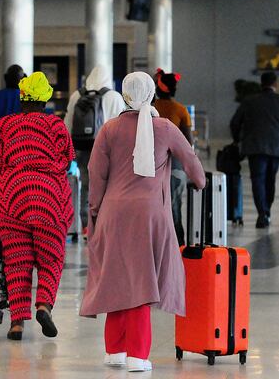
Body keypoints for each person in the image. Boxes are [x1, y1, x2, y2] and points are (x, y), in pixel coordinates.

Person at [80, 72, 205, 373]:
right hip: (150, 216)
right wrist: (198, 184)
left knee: (116, 278)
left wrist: (94, 213)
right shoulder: (164, 127)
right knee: (142, 280)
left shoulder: (109, 129)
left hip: (113, 212)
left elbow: (95, 175)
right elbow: (194, 168)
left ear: (124, 96)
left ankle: (115, 350)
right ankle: (138, 355)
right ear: (150, 95)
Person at [0, 72, 74, 340]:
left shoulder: (4, 125)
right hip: (49, 199)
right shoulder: (56, 126)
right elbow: (68, 160)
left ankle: (16, 323)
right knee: (51, 258)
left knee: (16, 262)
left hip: (11, 198)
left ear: (21, 98)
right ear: (44, 100)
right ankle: (44, 305)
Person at [230, 71, 279, 228]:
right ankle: (266, 211)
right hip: (276, 148)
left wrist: (237, 140)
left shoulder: (249, 101)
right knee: (270, 180)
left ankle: (263, 213)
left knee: (258, 179)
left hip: (255, 147)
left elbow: (235, 122)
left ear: (261, 84)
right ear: (276, 84)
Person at [64, 65, 126, 235]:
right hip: (107, 150)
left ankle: (85, 225)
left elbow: (67, 124)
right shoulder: (114, 97)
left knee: (84, 184)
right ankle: (104, 224)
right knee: (108, 186)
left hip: (81, 148)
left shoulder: (77, 95)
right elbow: (122, 126)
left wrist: (69, 152)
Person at [152, 69, 193, 246]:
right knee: (175, 206)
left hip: (151, 164)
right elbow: (188, 143)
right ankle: (178, 245)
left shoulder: (150, 109)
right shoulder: (181, 110)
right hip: (175, 165)